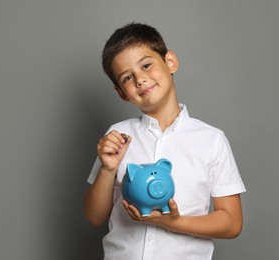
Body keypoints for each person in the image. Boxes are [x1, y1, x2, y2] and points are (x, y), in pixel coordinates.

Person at [84, 22, 246, 260]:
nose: (140, 79)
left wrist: (175, 222)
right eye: (128, 77)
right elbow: (94, 216)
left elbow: (232, 223)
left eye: (146, 65)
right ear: (121, 93)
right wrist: (108, 169)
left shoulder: (212, 140)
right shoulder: (117, 137)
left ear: (170, 62)